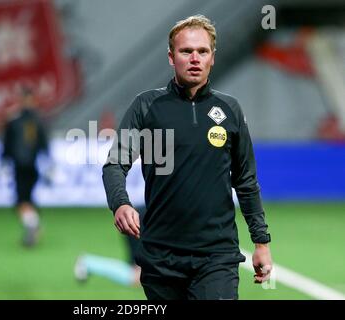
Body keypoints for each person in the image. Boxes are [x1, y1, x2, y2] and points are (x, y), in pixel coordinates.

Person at [102, 15, 272, 300]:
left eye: (202, 51)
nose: (195, 58)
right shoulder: (146, 106)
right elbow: (115, 164)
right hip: (160, 256)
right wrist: (120, 204)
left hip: (216, 256)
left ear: (212, 58)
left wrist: (261, 242)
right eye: (186, 51)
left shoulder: (229, 110)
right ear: (171, 57)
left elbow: (245, 180)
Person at [1, 87, 50, 247]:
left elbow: (7, 143)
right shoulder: (38, 120)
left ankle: (32, 225)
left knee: (21, 201)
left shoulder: (14, 120)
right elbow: (43, 144)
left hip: (22, 165)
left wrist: (4, 159)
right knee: (27, 199)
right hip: (31, 165)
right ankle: (33, 224)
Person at [73, 207, 145, 287]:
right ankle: (88, 262)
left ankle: (89, 263)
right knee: (139, 277)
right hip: (141, 222)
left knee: (143, 276)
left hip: (141, 219)